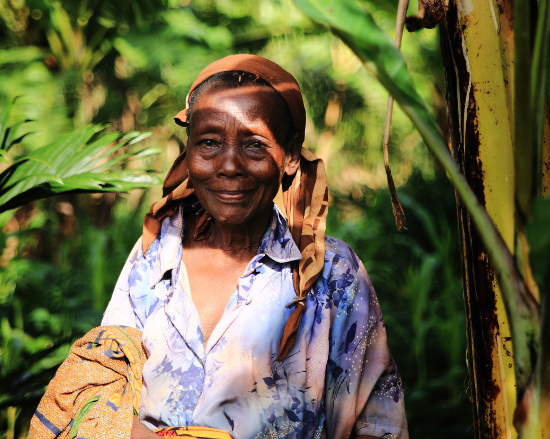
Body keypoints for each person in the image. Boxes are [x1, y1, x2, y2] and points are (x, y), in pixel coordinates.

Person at [96, 55, 408, 438]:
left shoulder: (332, 275)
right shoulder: (155, 254)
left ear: (290, 156)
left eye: (254, 145)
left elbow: (378, 427)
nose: (229, 165)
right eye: (209, 142)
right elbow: (103, 385)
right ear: (189, 149)